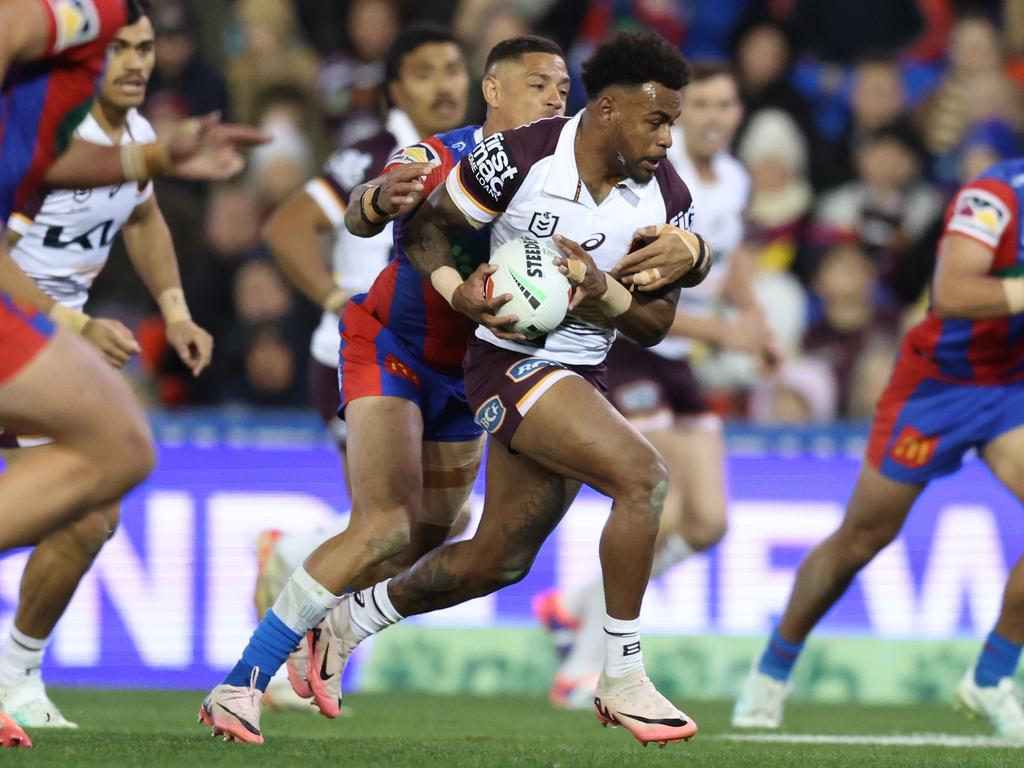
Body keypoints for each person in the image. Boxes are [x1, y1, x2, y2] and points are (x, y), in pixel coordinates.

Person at [247, 30, 709, 750]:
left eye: (673, 123)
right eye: (657, 121)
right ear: (611, 110)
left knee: (499, 557)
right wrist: (455, 291)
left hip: (584, 371)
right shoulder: (519, 156)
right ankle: (620, 676)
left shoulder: (668, 196)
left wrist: (601, 290)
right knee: (642, 479)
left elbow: (653, 323)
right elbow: (428, 229)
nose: (667, 138)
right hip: (508, 361)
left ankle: (351, 621)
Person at [198, 34, 571, 744]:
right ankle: (240, 684)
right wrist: (375, 200)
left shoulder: (564, 181)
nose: (556, 95)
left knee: (437, 534)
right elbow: (370, 204)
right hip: (388, 347)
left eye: (562, 86)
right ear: (493, 90)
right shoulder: (441, 153)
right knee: (385, 526)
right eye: (539, 82)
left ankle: (325, 623)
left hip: (468, 379)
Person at [0, 0, 263, 748]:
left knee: (94, 510)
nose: (136, 62)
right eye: (119, 48)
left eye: (146, 48)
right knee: (95, 495)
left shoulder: (139, 133)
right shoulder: (44, 124)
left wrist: (176, 310)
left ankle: (15, 676)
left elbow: (142, 217)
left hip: (43, 340)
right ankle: (14, 675)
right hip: (27, 330)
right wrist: (74, 323)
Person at [732, 159, 1024, 741]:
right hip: (937, 389)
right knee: (861, 539)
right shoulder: (996, 195)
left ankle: (992, 675)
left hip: (1012, 389)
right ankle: (772, 668)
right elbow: (953, 290)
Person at [534, 60, 772, 707]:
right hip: (636, 350)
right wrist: (726, 334)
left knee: (710, 522)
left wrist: (753, 317)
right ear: (680, 115)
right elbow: (634, 299)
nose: (719, 117)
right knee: (654, 502)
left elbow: (733, 246)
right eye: (708, 107)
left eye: (729, 105)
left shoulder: (734, 179)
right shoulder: (659, 182)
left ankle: (573, 606)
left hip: (681, 361)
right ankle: (584, 667)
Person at [256, 21, 470, 710]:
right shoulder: (372, 154)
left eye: (454, 69)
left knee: (436, 527)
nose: (445, 84)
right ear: (396, 88)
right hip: (364, 352)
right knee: (391, 521)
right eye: (427, 71)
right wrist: (327, 294)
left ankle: (300, 567)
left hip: (437, 359)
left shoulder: (480, 157)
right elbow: (288, 224)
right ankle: (294, 589)